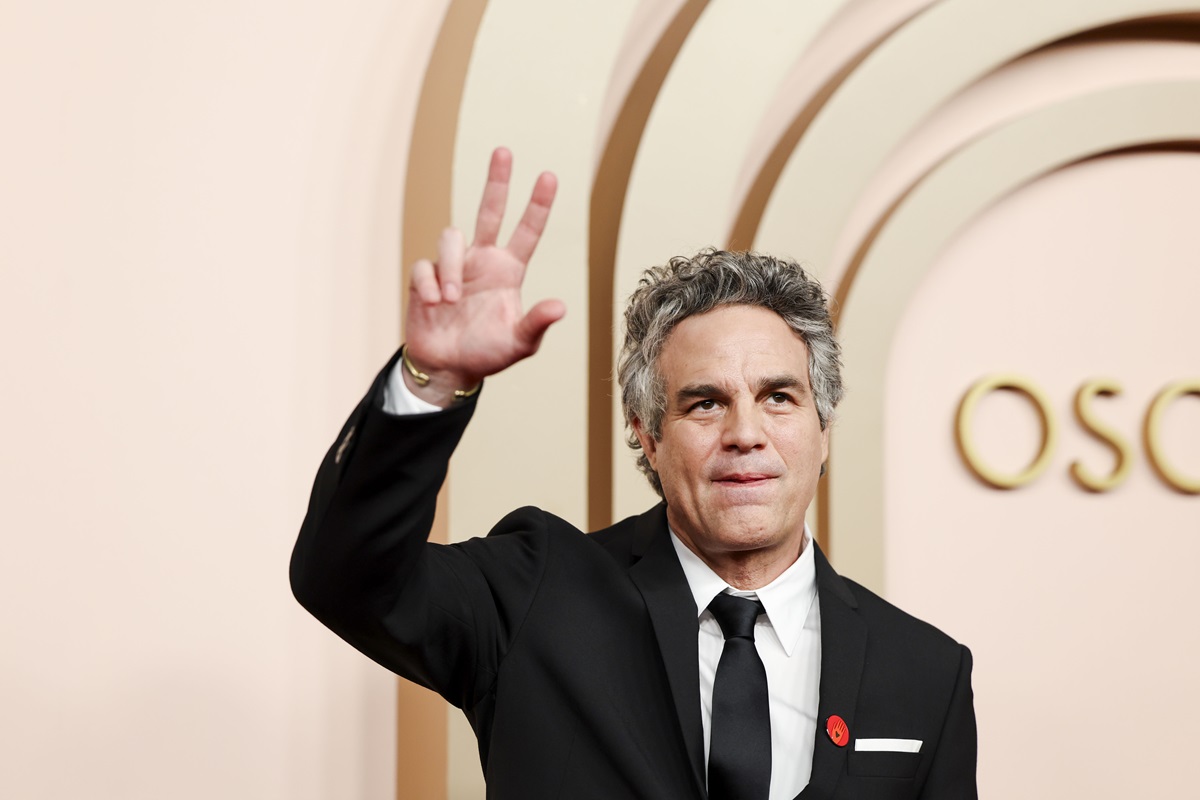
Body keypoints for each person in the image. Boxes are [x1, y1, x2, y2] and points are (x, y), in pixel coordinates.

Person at [291, 148, 977, 799]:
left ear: (823, 430)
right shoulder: (534, 598)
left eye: (778, 397)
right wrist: (433, 383)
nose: (745, 434)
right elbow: (346, 578)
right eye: (704, 403)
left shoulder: (924, 671)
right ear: (646, 432)